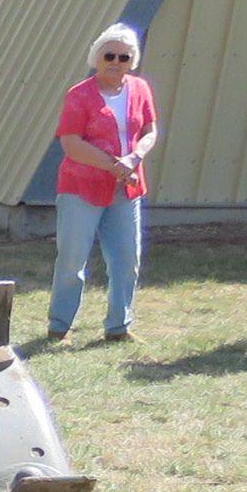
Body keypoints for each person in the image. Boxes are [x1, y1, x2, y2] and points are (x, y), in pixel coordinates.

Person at [48, 23, 159, 341]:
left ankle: (118, 326)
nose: (115, 61)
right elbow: (70, 143)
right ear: (96, 57)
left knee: (126, 260)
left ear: (132, 61)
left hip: (127, 188)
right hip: (81, 188)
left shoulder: (140, 89)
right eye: (109, 55)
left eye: (124, 57)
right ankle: (59, 327)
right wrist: (113, 166)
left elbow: (151, 130)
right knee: (72, 260)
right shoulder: (79, 95)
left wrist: (134, 158)